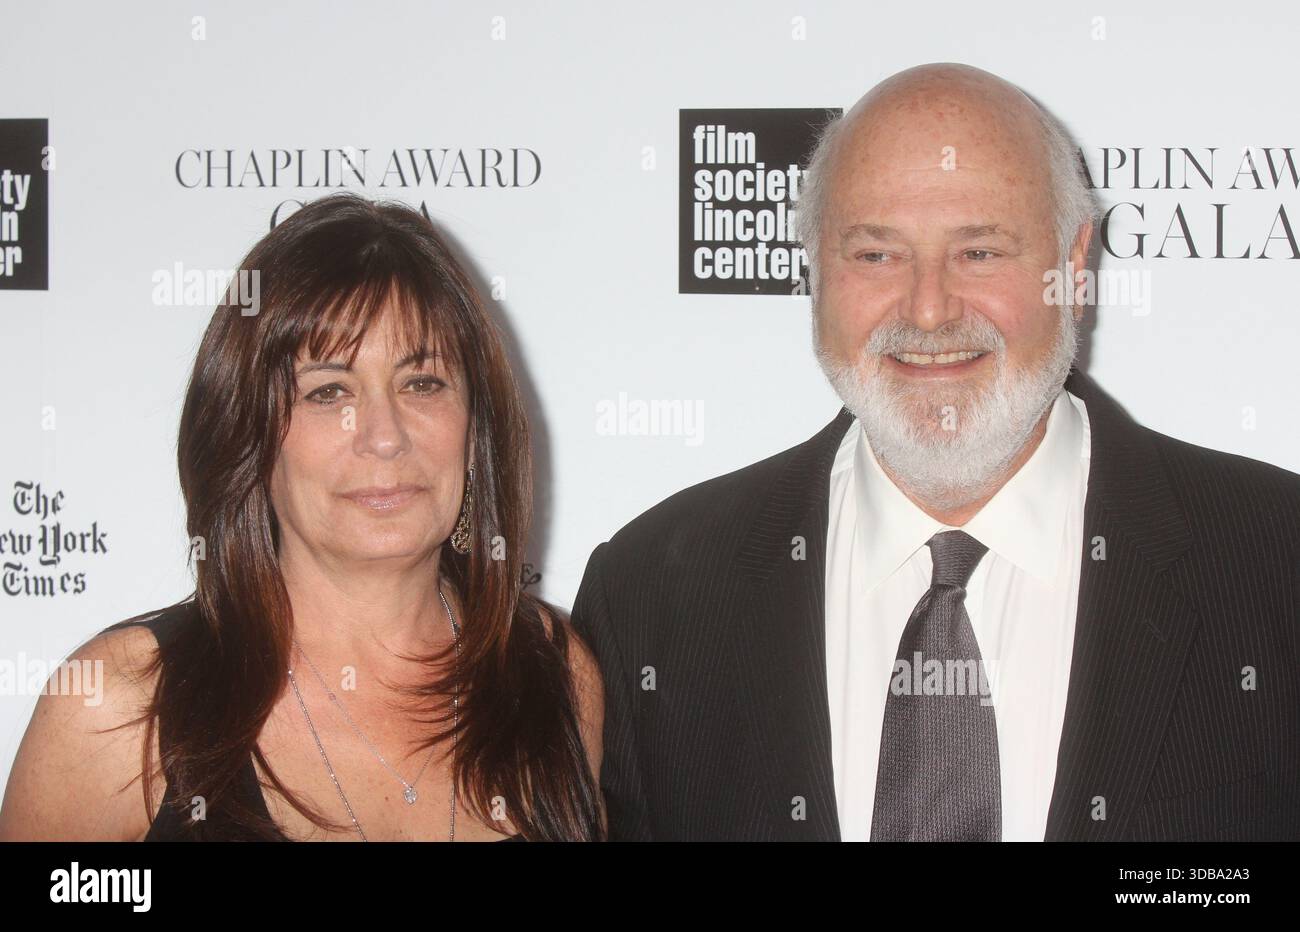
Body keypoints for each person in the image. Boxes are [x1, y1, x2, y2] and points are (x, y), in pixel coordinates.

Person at [570, 62, 1300, 841]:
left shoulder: (1275, 563)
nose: (927, 309)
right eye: (875, 255)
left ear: (1074, 265)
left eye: (980, 252)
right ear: (813, 267)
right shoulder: (652, 596)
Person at [0, 193, 605, 841]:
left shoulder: (554, 674)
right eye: (327, 391)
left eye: (421, 382)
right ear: (248, 438)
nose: (382, 435)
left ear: (475, 425)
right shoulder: (118, 709)